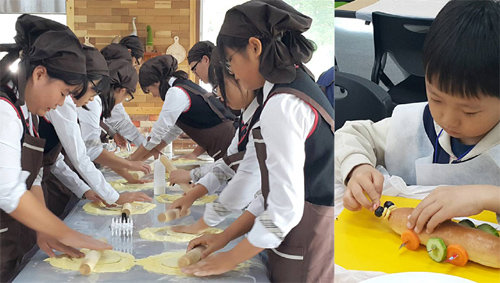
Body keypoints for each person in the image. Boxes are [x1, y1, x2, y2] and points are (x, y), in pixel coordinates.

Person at [181, 1, 335, 281]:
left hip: (308, 242)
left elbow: (285, 209)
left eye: (231, 62)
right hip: (296, 238)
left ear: (254, 47)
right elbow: (266, 188)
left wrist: (229, 258)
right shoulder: (287, 88)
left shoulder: (283, 104)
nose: (234, 73)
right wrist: (223, 237)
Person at [334, 0, 500, 232]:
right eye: (436, 98)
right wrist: (357, 168)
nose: (448, 119)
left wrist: (489, 196)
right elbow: (351, 135)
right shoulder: (417, 124)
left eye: (469, 111)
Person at [0, 14, 110, 281]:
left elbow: (33, 176)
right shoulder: (4, 111)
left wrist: (44, 228)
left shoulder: (27, 113)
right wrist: (64, 231)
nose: (62, 104)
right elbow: (8, 190)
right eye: (63, 93)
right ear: (40, 74)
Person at [168, 51, 263, 234]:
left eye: (220, 86)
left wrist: (203, 224)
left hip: (275, 215)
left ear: (239, 78)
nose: (218, 95)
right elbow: (226, 165)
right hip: (257, 210)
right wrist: (191, 196)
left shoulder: (266, 116)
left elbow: (246, 178)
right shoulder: (245, 116)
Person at [129, 55, 236, 162]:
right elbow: (173, 131)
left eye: (149, 90)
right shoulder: (183, 86)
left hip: (230, 145)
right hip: (227, 144)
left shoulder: (176, 92)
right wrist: (146, 156)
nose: (153, 95)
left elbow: (158, 132)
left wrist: (132, 159)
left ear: (156, 82)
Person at [77, 49, 151, 184]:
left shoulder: (97, 102)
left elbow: (95, 149)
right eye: (125, 98)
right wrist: (129, 165)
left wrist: (130, 178)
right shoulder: (93, 102)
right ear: (122, 90)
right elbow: (93, 150)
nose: (121, 102)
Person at [100, 43, 146, 149]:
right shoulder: (94, 98)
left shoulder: (104, 93)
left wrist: (113, 133)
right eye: (134, 63)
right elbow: (119, 121)